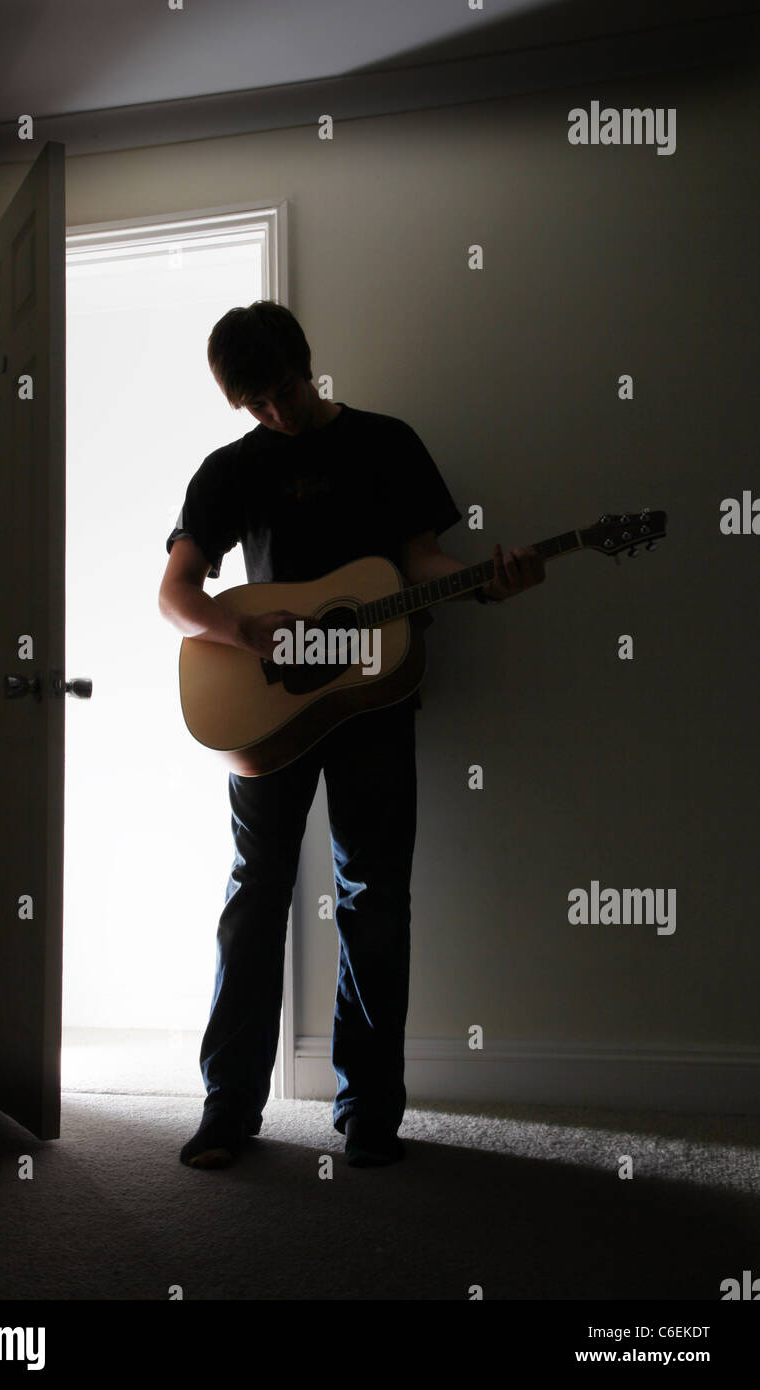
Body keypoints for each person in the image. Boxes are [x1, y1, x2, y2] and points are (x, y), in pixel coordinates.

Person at [158, 301, 544, 1170]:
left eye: (285, 390)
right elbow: (175, 595)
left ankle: (369, 1110)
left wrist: (488, 581)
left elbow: (420, 567)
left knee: (374, 899)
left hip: (372, 706)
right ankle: (228, 1106)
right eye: (254, 402)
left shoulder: (387, 443)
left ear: (308, 361)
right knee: (256, 896)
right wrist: (241, 630)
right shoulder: (229, 469)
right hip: (267, 711)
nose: (276, 413)